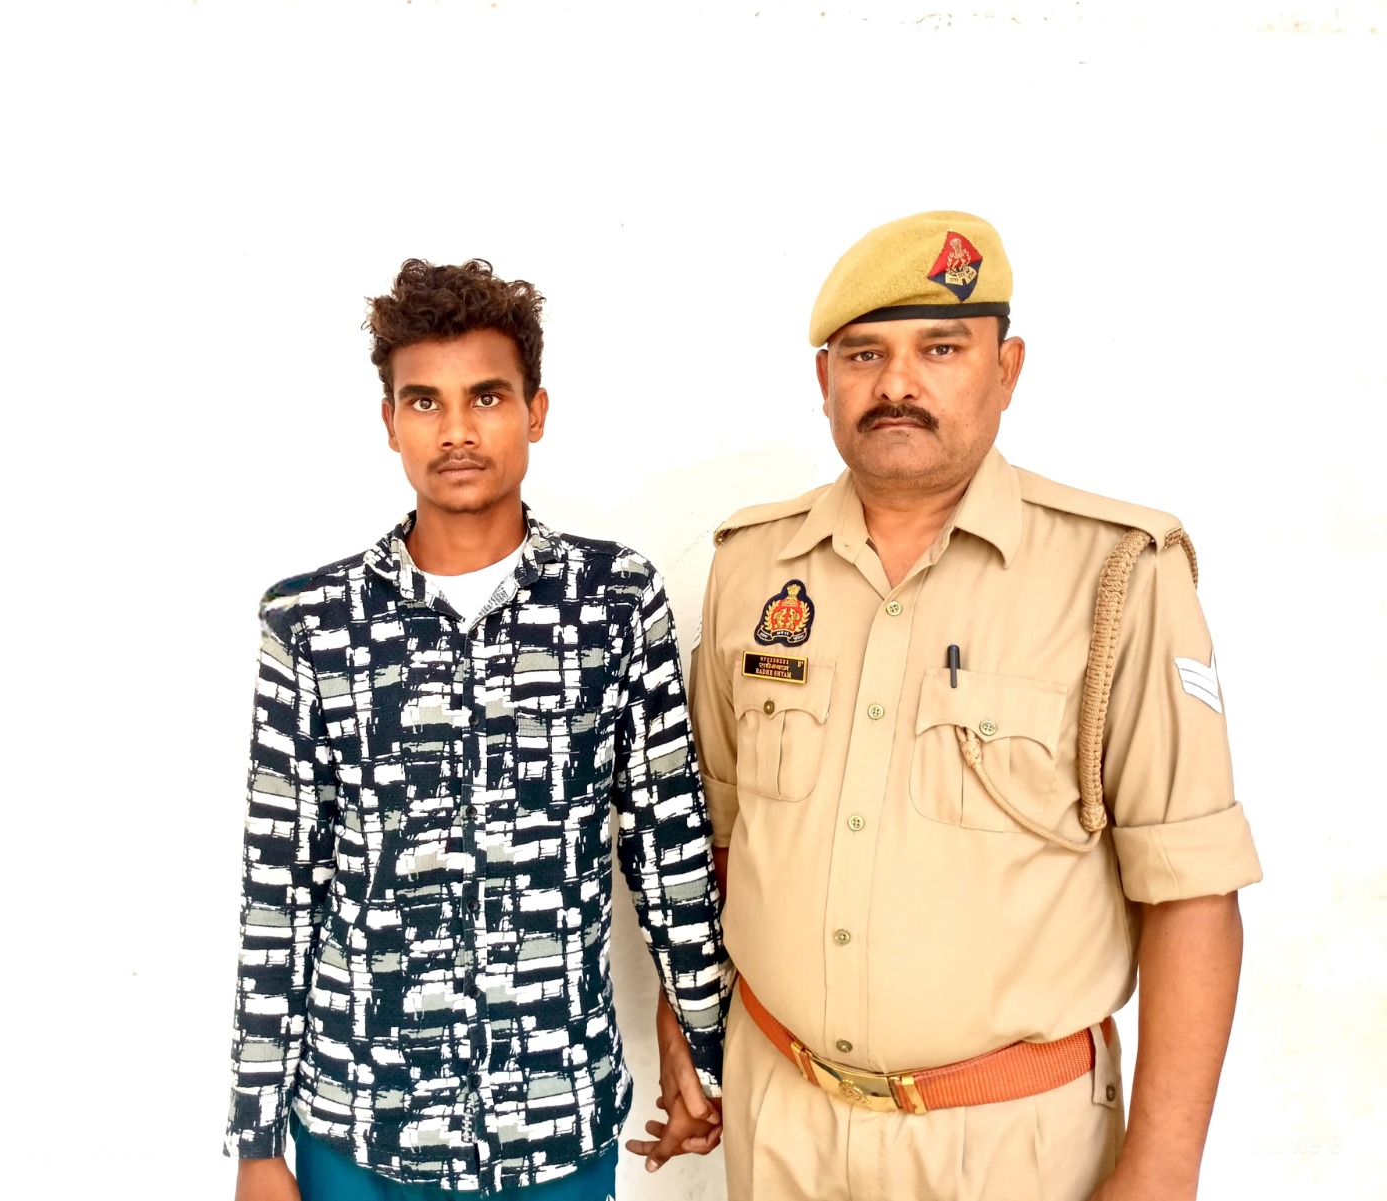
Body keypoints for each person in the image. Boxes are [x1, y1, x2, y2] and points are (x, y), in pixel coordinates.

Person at [651, 211, 1262, 1199]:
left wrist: (1160, 1168)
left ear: (1006, 370)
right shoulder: (752, 565)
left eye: (940, 349)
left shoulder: (1118, 575)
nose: (896, 384)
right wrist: (687, 1011)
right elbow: (721, 834)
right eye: (864, 354)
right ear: (824, 379)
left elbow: (1190, 886)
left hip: (1009, 1144)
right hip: (780, 1121)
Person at [223, 258, 731, 1201]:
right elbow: (279, 889)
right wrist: (258, 1142)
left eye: (486, 396)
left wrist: (705, 1048)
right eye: (425, 402)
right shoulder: (312, 623)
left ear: (535, 411)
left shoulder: (614, 601)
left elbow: (670, 845)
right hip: (359, 1121)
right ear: (390, 422)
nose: (456, 429)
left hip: (555, 1120)